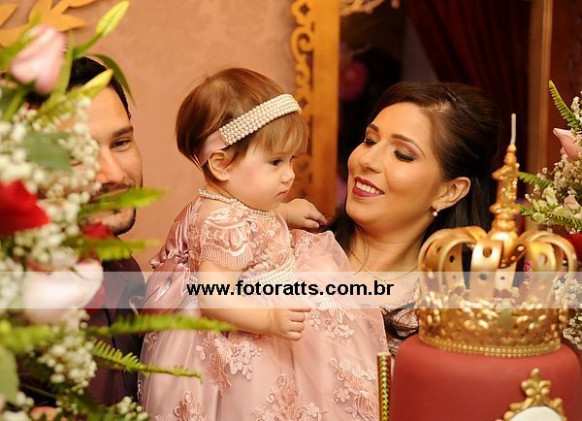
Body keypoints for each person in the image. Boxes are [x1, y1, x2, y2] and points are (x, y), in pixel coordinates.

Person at [139, 68, 387, 421]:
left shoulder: (233, 204)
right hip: (246, 333)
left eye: (291, 160)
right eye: (275, 162)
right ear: (222, 164)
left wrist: (284, 212)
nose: (289, 174)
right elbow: (213, 297)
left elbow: (250, 222)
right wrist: (268, 319)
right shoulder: (222, 223)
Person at [333, 81, 501, 355]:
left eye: (402, 155)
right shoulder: (290, 251)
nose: (367, 160)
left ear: (450, 191)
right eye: (370, 140)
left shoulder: (450, 314)